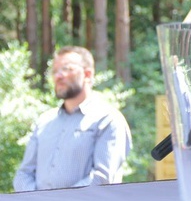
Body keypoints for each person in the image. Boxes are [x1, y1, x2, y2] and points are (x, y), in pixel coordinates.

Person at [13, 46, 132, 191]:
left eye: (66, 69)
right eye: (55, 71)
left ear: (87, 74)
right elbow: (23, 174)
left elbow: (103, 178)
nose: (58, 76)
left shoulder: (107, 120)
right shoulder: (44, 121)